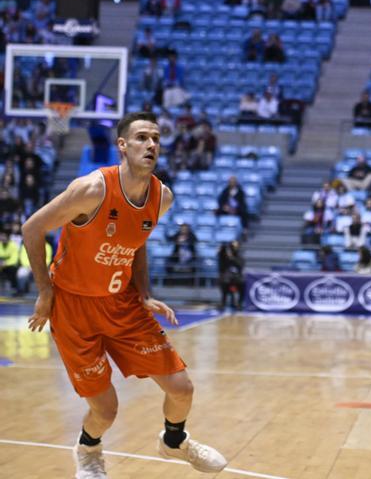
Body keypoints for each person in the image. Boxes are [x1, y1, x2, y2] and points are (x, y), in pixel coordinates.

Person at [21, 112, 227, 478]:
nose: (151, 145)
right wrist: (44, 292)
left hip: (121, 303)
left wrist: (144, 292)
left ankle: (174, 441)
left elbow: (137, 243)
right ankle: (87, 450)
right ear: (123, 145)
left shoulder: (161, 197)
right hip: (73, 305)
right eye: (142, 138)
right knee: (106, 410)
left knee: (182, 387)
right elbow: (32, 228)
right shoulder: (92, 189)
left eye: (156, 139)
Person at [218, 241, 244, 310]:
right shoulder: (225, 257)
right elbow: (221, 256)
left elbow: (240, 265)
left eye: (235, 246)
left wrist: (232, 258)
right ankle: (223, 304)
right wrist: (223, 248)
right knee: (225, 284)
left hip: (236, 278)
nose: (234, 248)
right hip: (227, 279)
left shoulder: (238, 256)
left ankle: (239, 304)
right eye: (232, 246)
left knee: (241, 285)